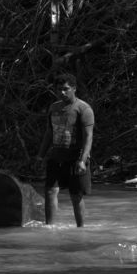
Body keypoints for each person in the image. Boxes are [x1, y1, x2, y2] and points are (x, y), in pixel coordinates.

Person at [35, 72, 94, 226]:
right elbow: (49, 133)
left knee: (76, 196)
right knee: (50, 191)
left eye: (66, 89)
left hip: (76, 158)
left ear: (74, 88)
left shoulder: (83, 109)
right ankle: (50, 228)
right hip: (56, 156)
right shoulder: (53, 108)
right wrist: (40, 156)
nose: (62, 92)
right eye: (59, 89)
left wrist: (83, 160)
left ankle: (81, 229)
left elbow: (88, 137)